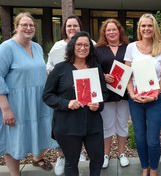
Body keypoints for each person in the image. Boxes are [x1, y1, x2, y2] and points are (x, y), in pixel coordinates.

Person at [43, 31, 109, 176]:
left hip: (92, 124)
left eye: (86, 45)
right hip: (68, 125)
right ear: (72, 46)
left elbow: (104, 93)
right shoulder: (60, 68)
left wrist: (98, 104)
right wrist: (66, 103)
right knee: (71, 162)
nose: (83, 48)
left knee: (97, 159)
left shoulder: (96, 68)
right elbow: (47, 95)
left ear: (90, 49)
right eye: (79, 44)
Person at [0, 12, 55, 176]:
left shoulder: (37, 47)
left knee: (43, 131)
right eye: (24, 24)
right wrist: (5, 109)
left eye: (31, 25)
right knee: (14, 139)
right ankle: (15, 173)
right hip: (16, 103)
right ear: (16, 27)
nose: (28, 28)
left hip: (39, 101)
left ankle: (37, 158)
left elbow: (42, 72)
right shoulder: (6, 48)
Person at [124, 13, 161, 176]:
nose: (146, 29)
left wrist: (155, 93)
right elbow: (127, 74)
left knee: (152, 139)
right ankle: (145, 166)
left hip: (157, 99)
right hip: (136, 99)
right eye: (143, 26)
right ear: (139, 28)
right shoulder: (131, 48)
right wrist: (131, 94)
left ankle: (154, 168)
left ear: (154, 28)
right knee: (140, 137)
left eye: (149, 25)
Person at [46, 14, 87, 176]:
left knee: (82, 124)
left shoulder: (89, 43)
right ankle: (62, 156)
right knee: (62, 126)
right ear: (65, 28)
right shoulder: (57, 47)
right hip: (63, 94)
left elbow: (95, 65)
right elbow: (48, 68)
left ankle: (79, 152)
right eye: (69, 26)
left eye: (75, 26)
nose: (72, 29)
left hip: (84, 93)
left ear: (80, 27)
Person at [94, 19, 130, 168]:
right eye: (108, 30)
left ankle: (121, 153)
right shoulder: (98, 49)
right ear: (104, 33)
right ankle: (106, 154)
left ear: (119, 31)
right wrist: (103, 76)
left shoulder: (129, 48)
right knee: (107, 126)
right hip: (106, 93)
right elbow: (92, 68)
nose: (111, 32)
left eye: (114, 29)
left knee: (122, 124)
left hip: (124, 94)